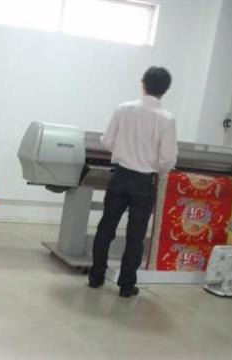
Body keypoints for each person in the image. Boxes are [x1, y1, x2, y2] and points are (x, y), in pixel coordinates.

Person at [88, 66, 178, 297]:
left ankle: (96, 277)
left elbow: (106, 140)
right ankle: (126, 286)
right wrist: (158, 171)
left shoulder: (124, 108)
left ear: (143, 83)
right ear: (165, 90)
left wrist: (123, 151)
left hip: (120, 176)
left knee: (106, 228)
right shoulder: (167, 119)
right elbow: (168, 158)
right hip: (144, 182)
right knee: (135, 236)